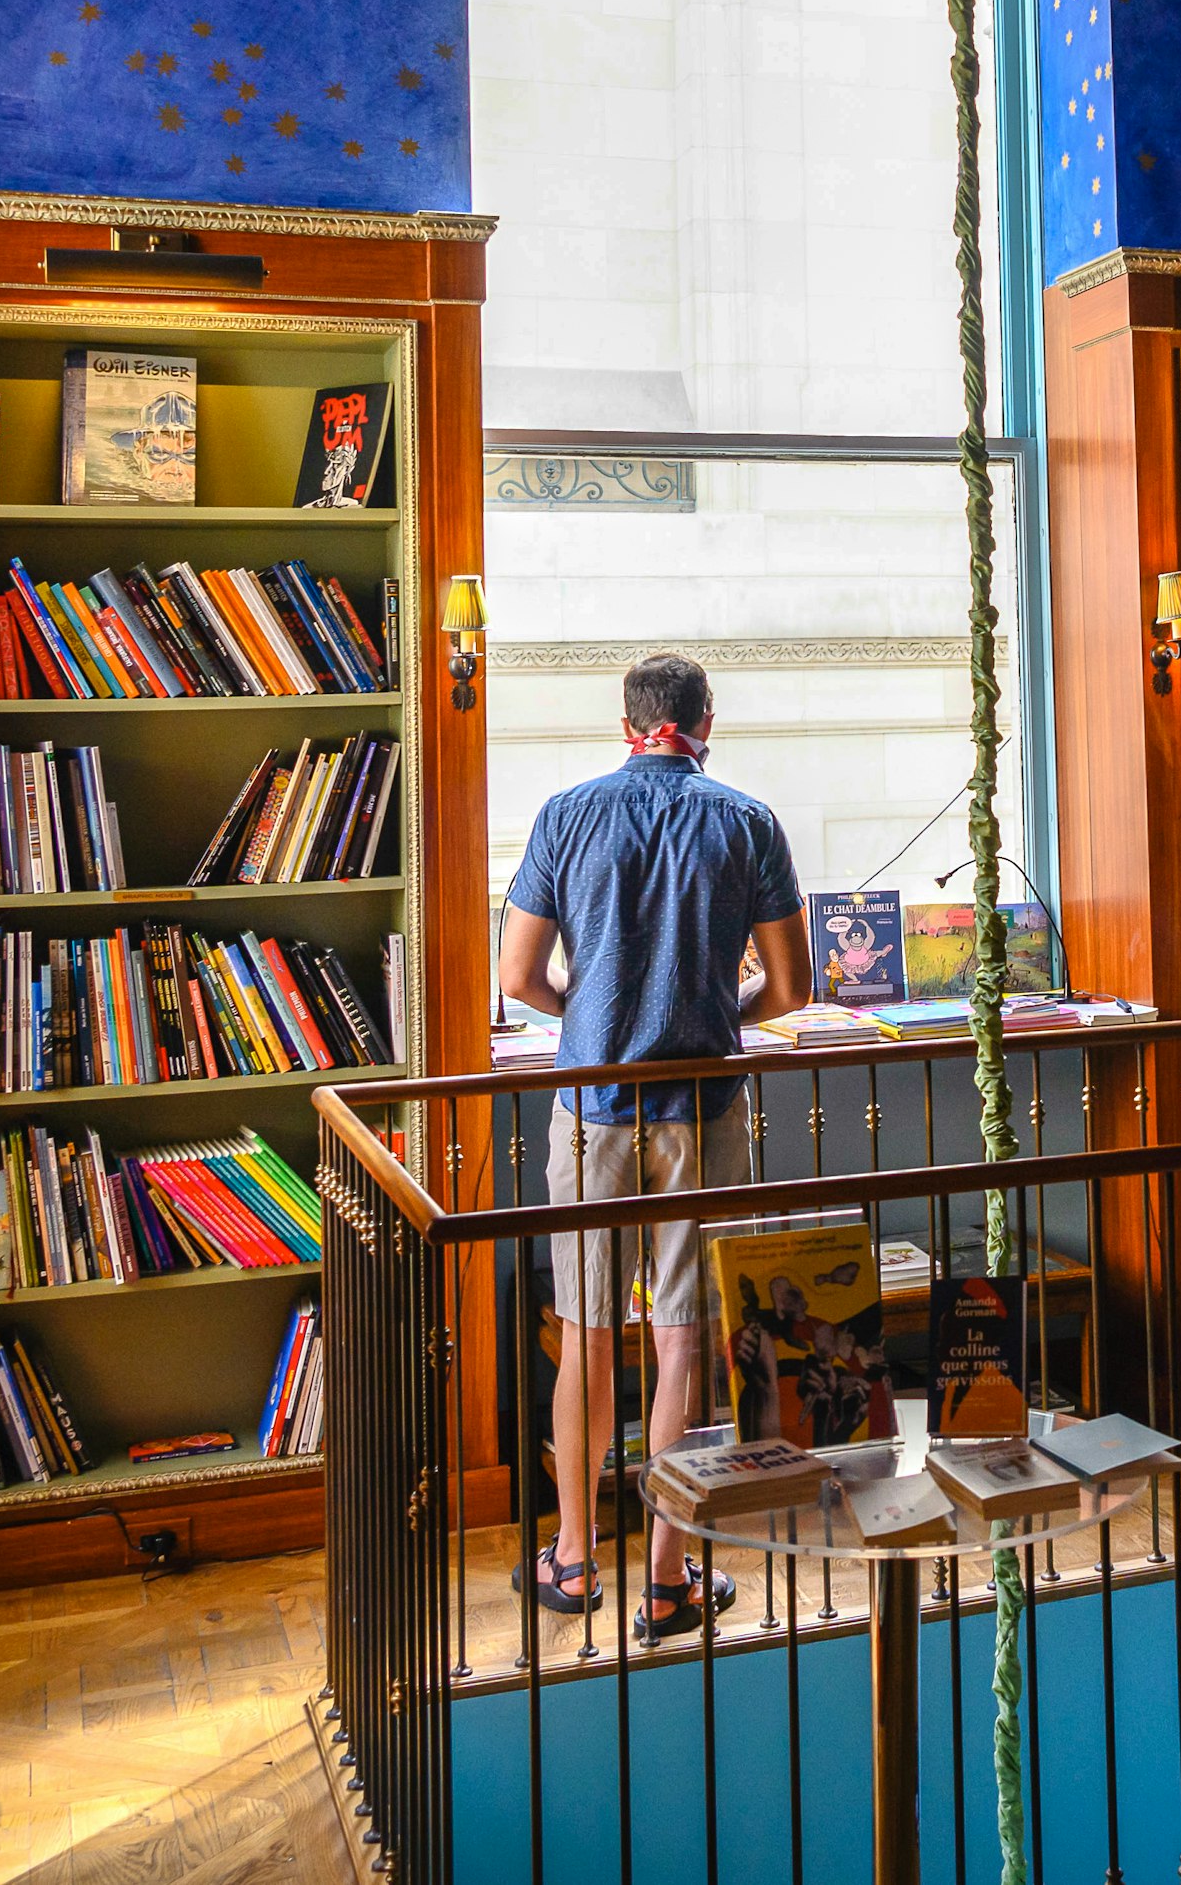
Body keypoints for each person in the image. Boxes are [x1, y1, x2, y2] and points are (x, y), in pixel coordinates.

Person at [497, 652, 810, 1644]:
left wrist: (584, 1009)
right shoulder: (748, 821)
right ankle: (668, 1578)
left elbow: (520, 976)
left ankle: (576, 1557)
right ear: (704, 717)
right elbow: (793, 990)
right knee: (682, 1339)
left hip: (591, 1106)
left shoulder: (564, 814)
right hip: (701, 1106)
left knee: (588, 1334)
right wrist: (723, 1008)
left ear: (626, 719)